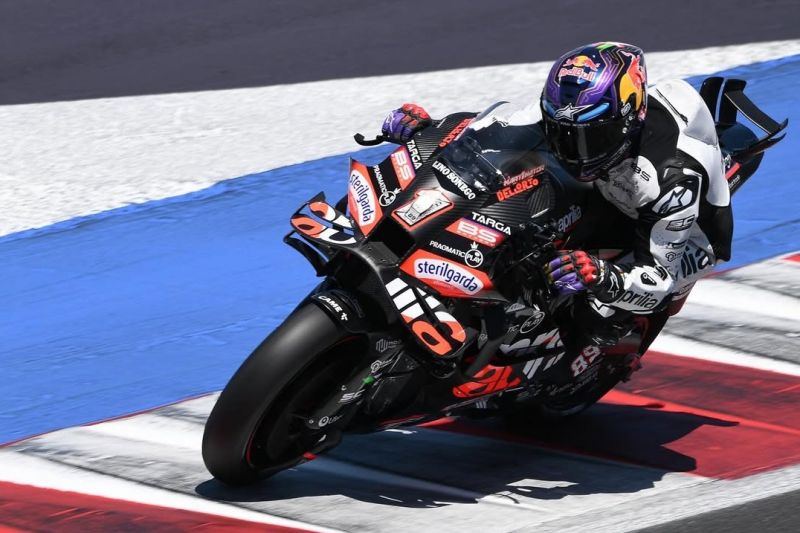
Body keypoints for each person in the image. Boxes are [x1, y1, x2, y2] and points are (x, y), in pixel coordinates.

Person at [381, 42, 733, 351]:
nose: (573, 149)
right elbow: (489, 132)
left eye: (591, 137)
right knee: (521, 201)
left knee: (594, 315)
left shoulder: (671, 180)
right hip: (606, 184)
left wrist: (603, 276)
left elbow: (659, 279)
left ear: (628, 120)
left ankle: (571, 365)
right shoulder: (562, 109)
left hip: (683, 239)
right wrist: (429, 132)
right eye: (562, 132)